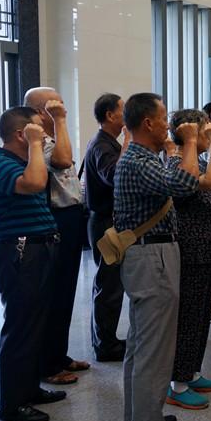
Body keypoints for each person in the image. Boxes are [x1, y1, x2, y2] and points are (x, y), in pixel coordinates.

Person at [113, 93, 202, 421]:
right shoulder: (137, 160)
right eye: (164, 118)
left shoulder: (141, 158)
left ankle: (139, 418)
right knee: (155, 347)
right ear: (148, 123)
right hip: (153, 256)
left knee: (141, 343)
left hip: (147, 253)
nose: (168, 124)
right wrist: (191, 142)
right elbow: (186, 184)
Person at [0, 106, 66, 421]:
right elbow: (34, 184)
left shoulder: (24, 161)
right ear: (21, 134)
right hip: (19, 252)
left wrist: (37, 145)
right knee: (21, 328)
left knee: (35, 325)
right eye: (37, 130)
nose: (44, 135)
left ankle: (29, 389)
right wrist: (35, 144)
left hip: (37, 249)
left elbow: (57, 164)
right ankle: (13, 404)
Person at [23, 87, 89, 385]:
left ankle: (58, 354)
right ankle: (47, 363)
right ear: (41, 111)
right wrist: (60, 120)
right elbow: (62, 161)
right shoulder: (36, 142)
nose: (62, 107)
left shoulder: (52, 138)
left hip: (71, 217)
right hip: (55, 218)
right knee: (54, 293)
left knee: (66, 291)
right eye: (56, 103)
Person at [164, 109, 211, 410]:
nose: (209, 134)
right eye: (204, 131)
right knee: (188, 317)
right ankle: (178, 383)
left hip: (205, 250)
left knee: (200, 316)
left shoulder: (196, 160)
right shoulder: (177, 163)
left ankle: (192, 371)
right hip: (190, 250)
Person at [84, 93, 129, 362]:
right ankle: (105, 345)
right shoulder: (102, 144)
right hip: (104, 222)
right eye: (123, 110)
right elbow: (114, 176)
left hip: (107, 221)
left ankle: (106, 340)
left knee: (110, 283)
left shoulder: (107, 142)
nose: (127, 114)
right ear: (110, 115)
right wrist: (129, 141)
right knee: (109, 285)